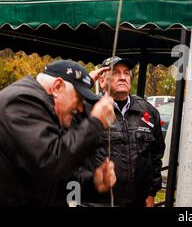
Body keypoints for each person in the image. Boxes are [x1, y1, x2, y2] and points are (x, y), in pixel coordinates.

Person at [0, 60, 116, 206]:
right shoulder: (21, 101)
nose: (80, 108)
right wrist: (95, 122)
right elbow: (50, 163)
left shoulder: (47, 110)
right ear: (57, 87)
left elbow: (55, 182)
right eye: (79, 99)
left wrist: (93, 183)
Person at [79, 56, 165, 207]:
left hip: (136, 202)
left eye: (126, 73)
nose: (123, 77)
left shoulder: (148, 112)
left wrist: (151, 193)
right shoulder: (88, 108)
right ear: (101, 80)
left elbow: (156, 156)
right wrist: (86, 82)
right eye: (115, 73)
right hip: (96, 202)